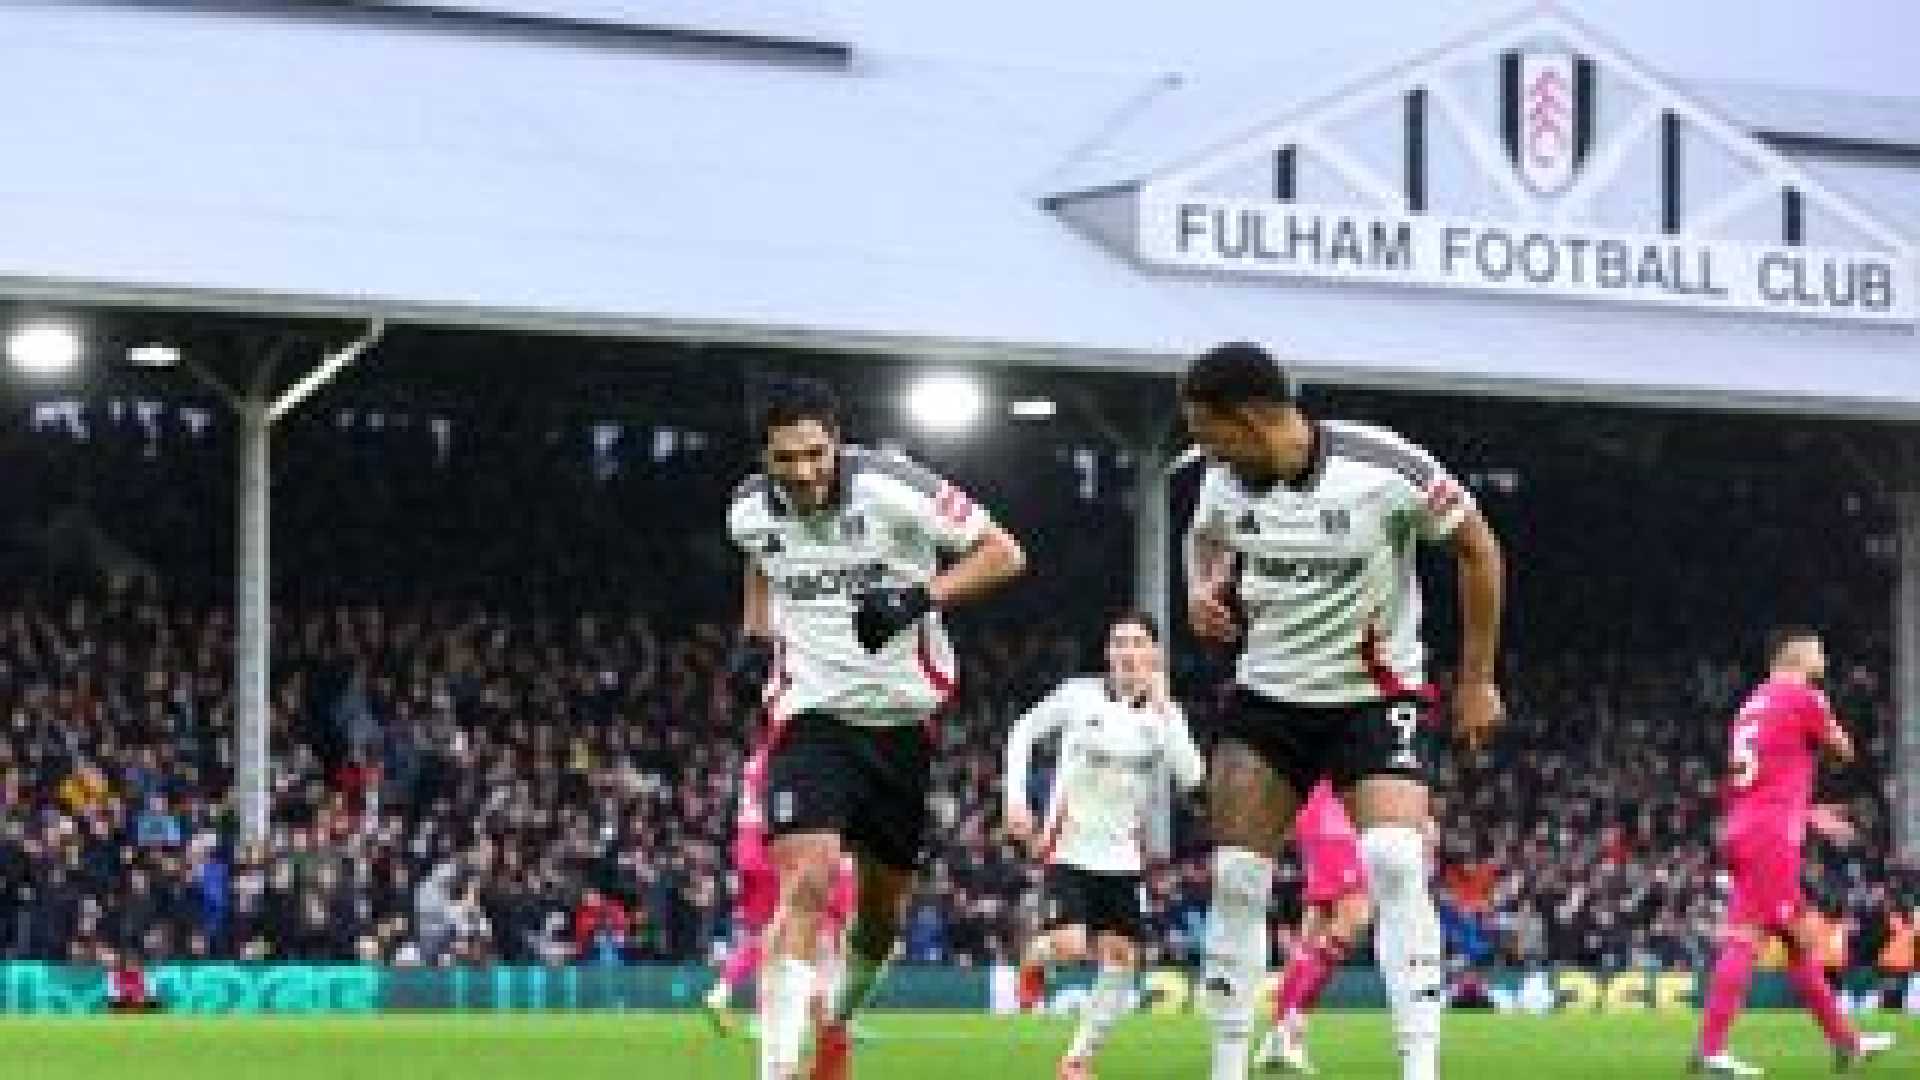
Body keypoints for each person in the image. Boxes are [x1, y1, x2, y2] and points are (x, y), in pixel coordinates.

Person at [1179, 342, 1505, 1080]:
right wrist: (1204, 586)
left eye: (1209, 432)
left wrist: (1478, 680)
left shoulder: (1385, 468)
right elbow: (1206, 538)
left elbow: (1479, 550)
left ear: (1256, 419)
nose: (1203, 450)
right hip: (1268, 697)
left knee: (1393, 861)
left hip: (1373, 698)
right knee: (1235, 878)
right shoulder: (1224, 482)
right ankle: (1227, 1068)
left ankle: (1419, 1068)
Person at [727, 375, 1026, 1080]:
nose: (802, 472)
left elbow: (1005, 553)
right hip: (810, 716)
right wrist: (752, 636)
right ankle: (776, 1069)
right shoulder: (746, 510)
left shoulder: (895, 488)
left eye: (815, 454)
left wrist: (919, 596)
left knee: (879, 923)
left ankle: (838, 1022)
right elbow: (762, 560)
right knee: (805, 881)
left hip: (902, 726)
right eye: (785, 459)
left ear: (838, 443)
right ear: (763, 457)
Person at [1003, 610, 1204, 1080]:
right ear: (1109, 653)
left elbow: (1193, 776)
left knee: (1121, 961)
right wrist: (1015, 801)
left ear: (1154, 654)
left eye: (1138, 643)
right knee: (1072, 946)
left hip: (1122, 858)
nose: (1128, 651)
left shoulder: (1162, 718)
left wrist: (1166, 708)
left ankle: (1077, 1061)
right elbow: (1022, 732)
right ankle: (1034, 957)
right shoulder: (1078, 697)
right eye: (1119, 643)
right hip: (1069, 848)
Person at [1691, 628, 1895, 1076]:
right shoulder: (1803, 697)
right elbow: (1844, 750)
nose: (1824, 659)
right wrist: (1830, 724)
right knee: (1746, 937)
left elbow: (1758, 780)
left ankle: (1847, 1043)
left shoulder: (1750, 706)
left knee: (1798, 943)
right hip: (1770, 836)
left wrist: (1804, 812)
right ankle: (1709, 1049)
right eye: (1819, 651)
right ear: (1797, 656)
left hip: (1745, 827)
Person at [705, 744, 857, 1036]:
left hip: (746, 851)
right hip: (769, 854)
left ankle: (727, 992)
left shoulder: (754, 761)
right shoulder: (784, 761)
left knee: (765, 933)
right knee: (792, 928)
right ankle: (818, 1012)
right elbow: (786, 811)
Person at [1256, 778, 1372, 1074]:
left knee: (1314, 931)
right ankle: (1290, 1033)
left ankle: (1278, 1035)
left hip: (1322, 816)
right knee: (1353, 916)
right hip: (1333, 821)